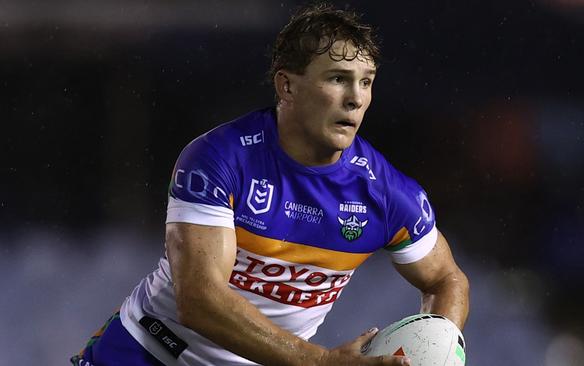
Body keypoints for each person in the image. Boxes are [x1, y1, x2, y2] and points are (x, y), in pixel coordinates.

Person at [71, 3, 469, 366]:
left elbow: (446, 279)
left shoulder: (387, 194)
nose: (355, 99)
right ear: (286, 86)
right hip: (147, 354)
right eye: (337, 78)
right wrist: (319, 362)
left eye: (366, 82)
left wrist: (434, 347)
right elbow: (199, 300)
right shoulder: (219, 158)